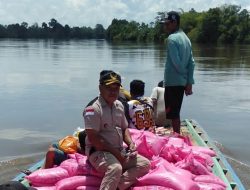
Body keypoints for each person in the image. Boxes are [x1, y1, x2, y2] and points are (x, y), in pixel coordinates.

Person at [83, 70, 150, 190]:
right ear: (100, 88)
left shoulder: (119, 105)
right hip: (99, 152)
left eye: (116, 88)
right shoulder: (93, 109)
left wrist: (130, 143)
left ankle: (118, 186)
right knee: (115, 168)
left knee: (145, 164)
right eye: (109, 88)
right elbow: (95, 140)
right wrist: (118, 154)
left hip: (118, 150)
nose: (113, 92)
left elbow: (124, 129)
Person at [161, 11, 195, 134]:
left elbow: (177, 64)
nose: (165, 26)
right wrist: (189, 82)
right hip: (180, 82)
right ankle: (176, 134)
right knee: (176, 111)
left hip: (173, 81)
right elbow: (191, 63)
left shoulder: (172, 39)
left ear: (174, 22)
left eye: (167, 24)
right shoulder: (186, 38)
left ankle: (176, 137)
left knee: (173, 113)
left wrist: (186, 80)